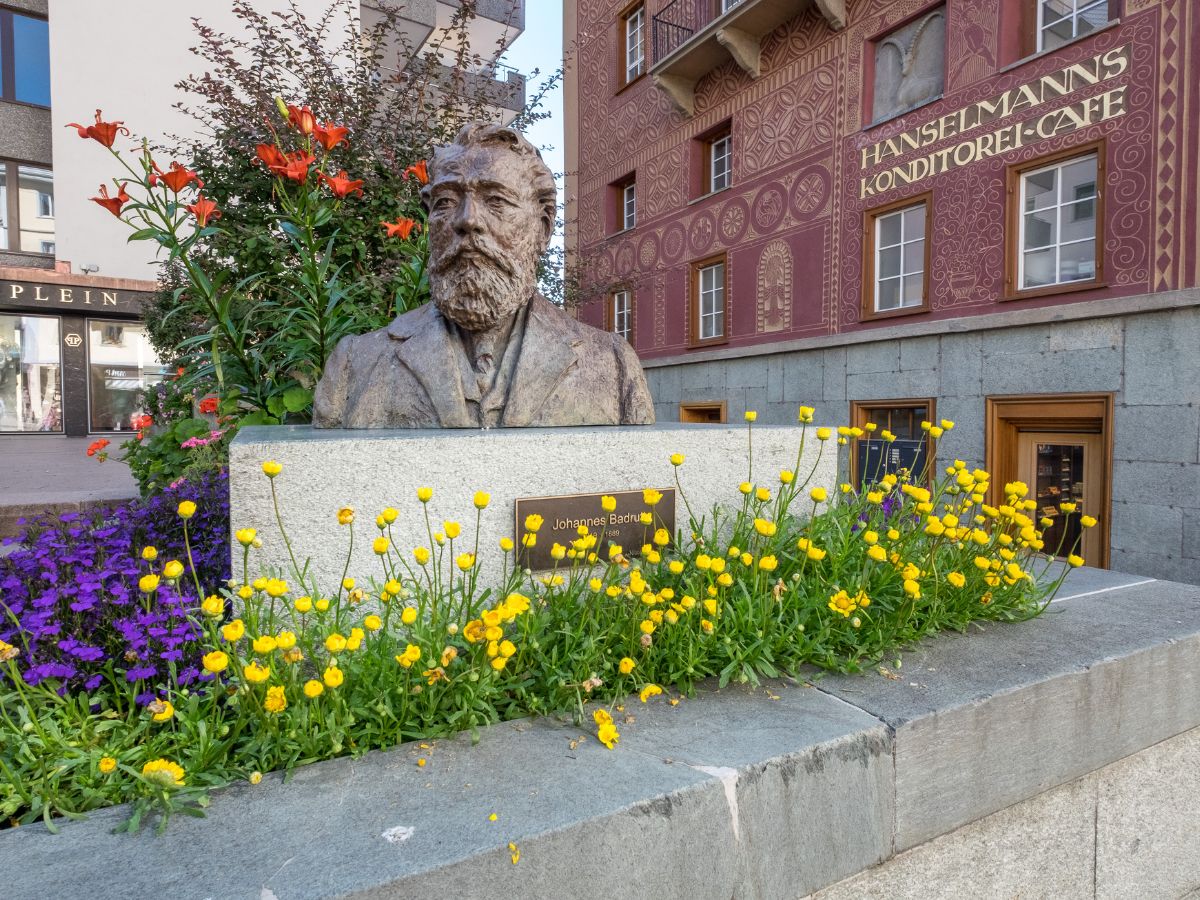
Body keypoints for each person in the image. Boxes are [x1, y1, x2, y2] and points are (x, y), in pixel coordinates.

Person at [313, 124, 655, 429]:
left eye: (495, 199)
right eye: (446, 201)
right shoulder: (355, 364)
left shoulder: (612, 366)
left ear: (543, 227)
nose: (467, 220)